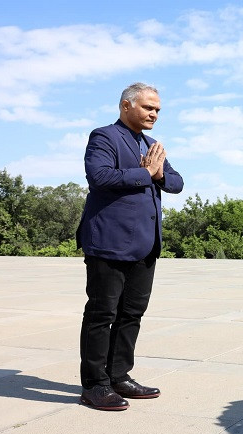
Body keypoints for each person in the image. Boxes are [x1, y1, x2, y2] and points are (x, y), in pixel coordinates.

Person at [76, 82, 184, 410]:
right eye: (148, 107)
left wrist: (159, 173)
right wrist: (144, 172)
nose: (154, 114)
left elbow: (177, 183)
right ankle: (95, 385)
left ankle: (119, 375)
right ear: (126, 106)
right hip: (108, 243)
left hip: (145, 246)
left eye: (158, 110)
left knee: (132, 313)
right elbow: (99, 176)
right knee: (102, 313)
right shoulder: (105, 136)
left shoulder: (152, 144)